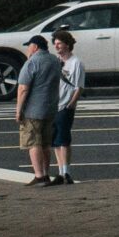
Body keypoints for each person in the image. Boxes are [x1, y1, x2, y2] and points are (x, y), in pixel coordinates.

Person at [13, 33, 63, 186]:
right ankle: (46, 173)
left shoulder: (32, 62)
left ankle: (39, 175)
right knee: (46, 143)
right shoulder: (55, 60)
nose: (28, 49)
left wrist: (18, 110)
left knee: (33, 142)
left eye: (29, 46)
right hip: (50, 107)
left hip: (33, 109)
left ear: (34, 47)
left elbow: (23, 88)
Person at [49, 30, 87, 184]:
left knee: (64, 139)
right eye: (55, 44)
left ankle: (66, 172)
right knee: (55, 141)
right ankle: (60, 171)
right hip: (53, 105)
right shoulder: (55, 61)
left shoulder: (76, 63)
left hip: (65, 105)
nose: (56, 46)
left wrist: (71, 103)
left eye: (59, 43)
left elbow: (79, 86)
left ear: (67, 44)